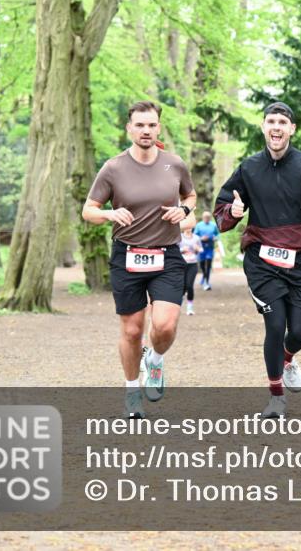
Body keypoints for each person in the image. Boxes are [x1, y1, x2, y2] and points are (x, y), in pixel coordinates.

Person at [214, 101, 301, 419]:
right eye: (271, 121)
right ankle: (276, 398)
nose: (276, 127)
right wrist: (233, 214)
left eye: (282, 122)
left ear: (292, 129)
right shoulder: (248, 169)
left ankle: (288, 358)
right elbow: (222, 211)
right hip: (262, 261)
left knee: (300, 332)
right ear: (263, 127)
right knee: (275, 326)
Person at [82, 100, 196, 419]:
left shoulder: (174, 164)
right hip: (127, 255)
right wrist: (108, 212)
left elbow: (191, 196)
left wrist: (184, 210)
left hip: (167, 255)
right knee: (132, 331)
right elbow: (88, 210)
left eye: (151, 125)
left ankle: (155, 360)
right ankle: (132, 392)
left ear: (159, 127)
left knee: (165, 325)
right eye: (140, 125)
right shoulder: (113, 168)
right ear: (129, 128)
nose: (146, 130)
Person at [193, 211, 220, 290]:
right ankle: (204, 276)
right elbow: (195, 235)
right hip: (201, 248)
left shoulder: (213, 225)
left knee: (208, 263)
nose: (207, 219)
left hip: (210, 247)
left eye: (208, 217)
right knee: (202, 264)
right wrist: (201, 238)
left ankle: (206, 282)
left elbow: (217, 235)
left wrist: (215, 238)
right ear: (203, 218)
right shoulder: (199, 225)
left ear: (210, 218)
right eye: (205, 217)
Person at [179, 225, 202, 315]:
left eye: (190, 227)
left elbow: (201, 249)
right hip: (182, 264)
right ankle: (178, 305)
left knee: (189, 285)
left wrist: (197, 249)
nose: (189, 228)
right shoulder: (179, 237)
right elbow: (175, 250)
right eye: (187, 226)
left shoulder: (196, 238)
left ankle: (189, 308)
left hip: (193, 264)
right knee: (182, 286)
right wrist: (182, 250)